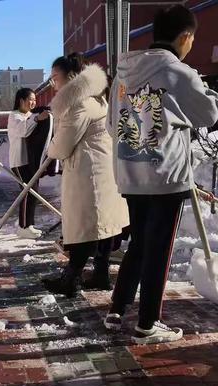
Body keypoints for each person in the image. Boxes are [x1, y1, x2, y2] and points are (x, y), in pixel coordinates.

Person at [105, 5, 218, 344]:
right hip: (165, 174)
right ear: (185, 36)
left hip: (130, 171)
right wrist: (205, 88)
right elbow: (208, 114)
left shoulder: (123, 72)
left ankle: (118, 307)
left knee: (139, 242)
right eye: (192, 39)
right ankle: (148, 323)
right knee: (159, 249)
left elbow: (112, 124)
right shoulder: (178, 72)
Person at [42, 53, 129, 298]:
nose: (54, 84)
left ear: (70, 77)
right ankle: (100, 275)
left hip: (88, 176)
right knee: (102, 227)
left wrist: (52, 146)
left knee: (85, 230)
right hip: (102, 173)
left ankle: (71, 279)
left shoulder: (78, 104)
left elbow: (60, 148)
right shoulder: (97, 99)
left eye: (55, 78)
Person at [7, 89, 52, 239]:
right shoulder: (14, 116)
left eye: (34, 100)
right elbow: (23, 130)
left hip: (31, 161)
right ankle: (23, 226)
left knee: (34, 193)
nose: (33, 102)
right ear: (21, 100)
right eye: (30, 99)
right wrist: (37, 119)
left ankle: (29, 224)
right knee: (26, 192)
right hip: (19, 161)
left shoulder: (31, 116)